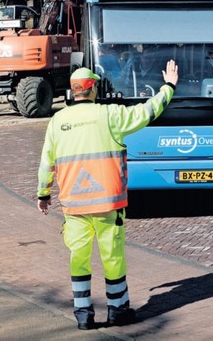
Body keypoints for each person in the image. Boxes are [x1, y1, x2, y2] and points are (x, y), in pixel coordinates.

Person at [36, 60, 179, 329]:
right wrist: (168, 87)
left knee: (78, 257)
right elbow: (147, 112)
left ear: (74, 91)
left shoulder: (57, 121)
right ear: (92, 89)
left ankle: (83, 315)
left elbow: (47, 162)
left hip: (74, 205)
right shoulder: (110, 115)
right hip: (107, 203)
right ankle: (118, 310)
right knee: (112, 257)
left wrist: (43, 194)